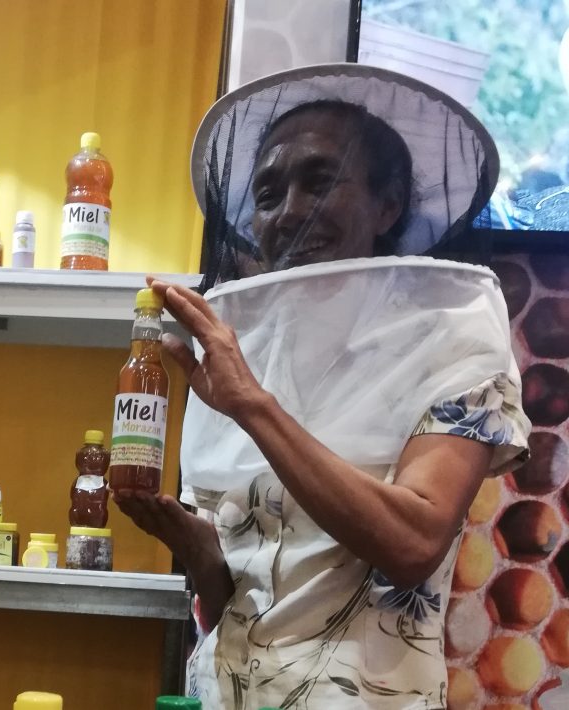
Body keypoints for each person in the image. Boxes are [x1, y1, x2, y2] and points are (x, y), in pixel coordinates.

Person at [116, 64, 530, 709]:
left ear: (388, 205)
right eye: (268, 193)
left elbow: (413, 544)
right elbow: (237, 606)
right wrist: (199, 549)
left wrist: (253, 407)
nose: (290, 212)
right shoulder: (245, 355)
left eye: (320, 181)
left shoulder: (451, 340)